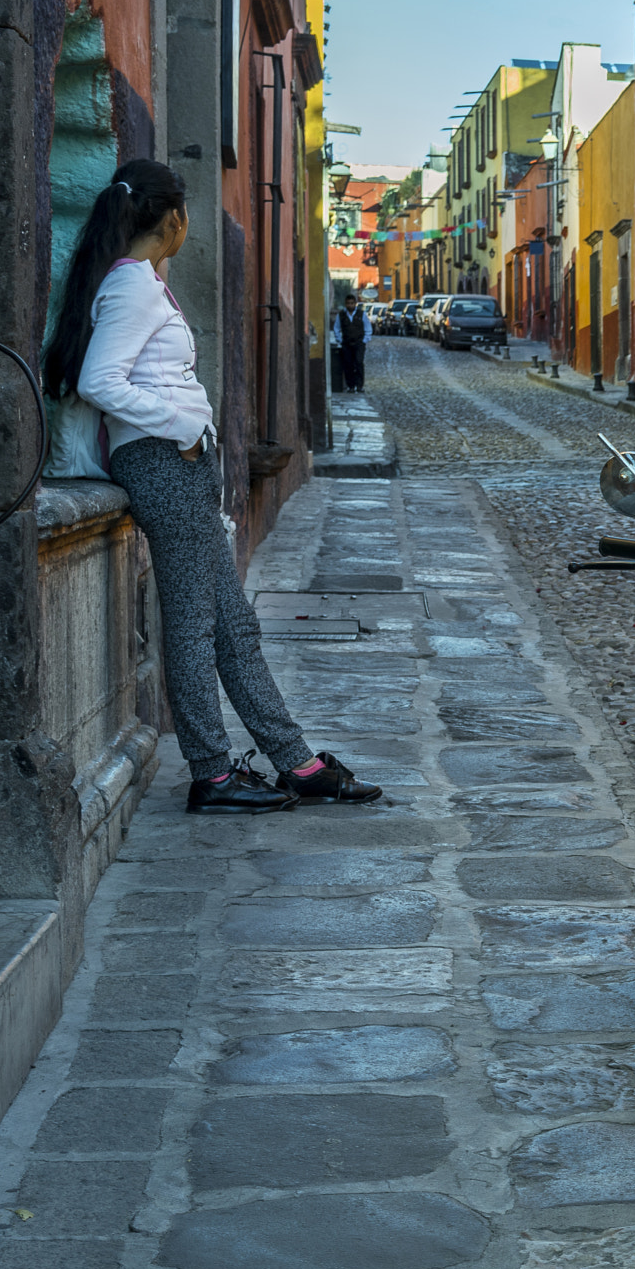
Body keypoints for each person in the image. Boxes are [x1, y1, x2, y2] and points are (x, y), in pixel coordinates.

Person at [41, 158, 381, 814]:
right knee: (197, 626)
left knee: (233, 626)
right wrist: (184, 427)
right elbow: (101, 383)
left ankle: (296, 762)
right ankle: (213, 775)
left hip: (174, 467)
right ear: (173, 219)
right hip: (163, 465)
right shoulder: (133, 286)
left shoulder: (139, 281)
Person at [332, 291, 372, 392]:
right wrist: (340, 340)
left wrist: (364, 340)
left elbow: (368, 327)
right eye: (348, 303)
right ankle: (350, 386)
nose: (350, 305)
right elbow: (336, 328)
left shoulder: (361, 314)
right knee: (348, 364)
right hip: (346, 343)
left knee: (358, 363)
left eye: (352, 303)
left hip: (359, 343)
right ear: (346, 304)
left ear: (355, 304)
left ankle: (359, 385)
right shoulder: (341, 315)